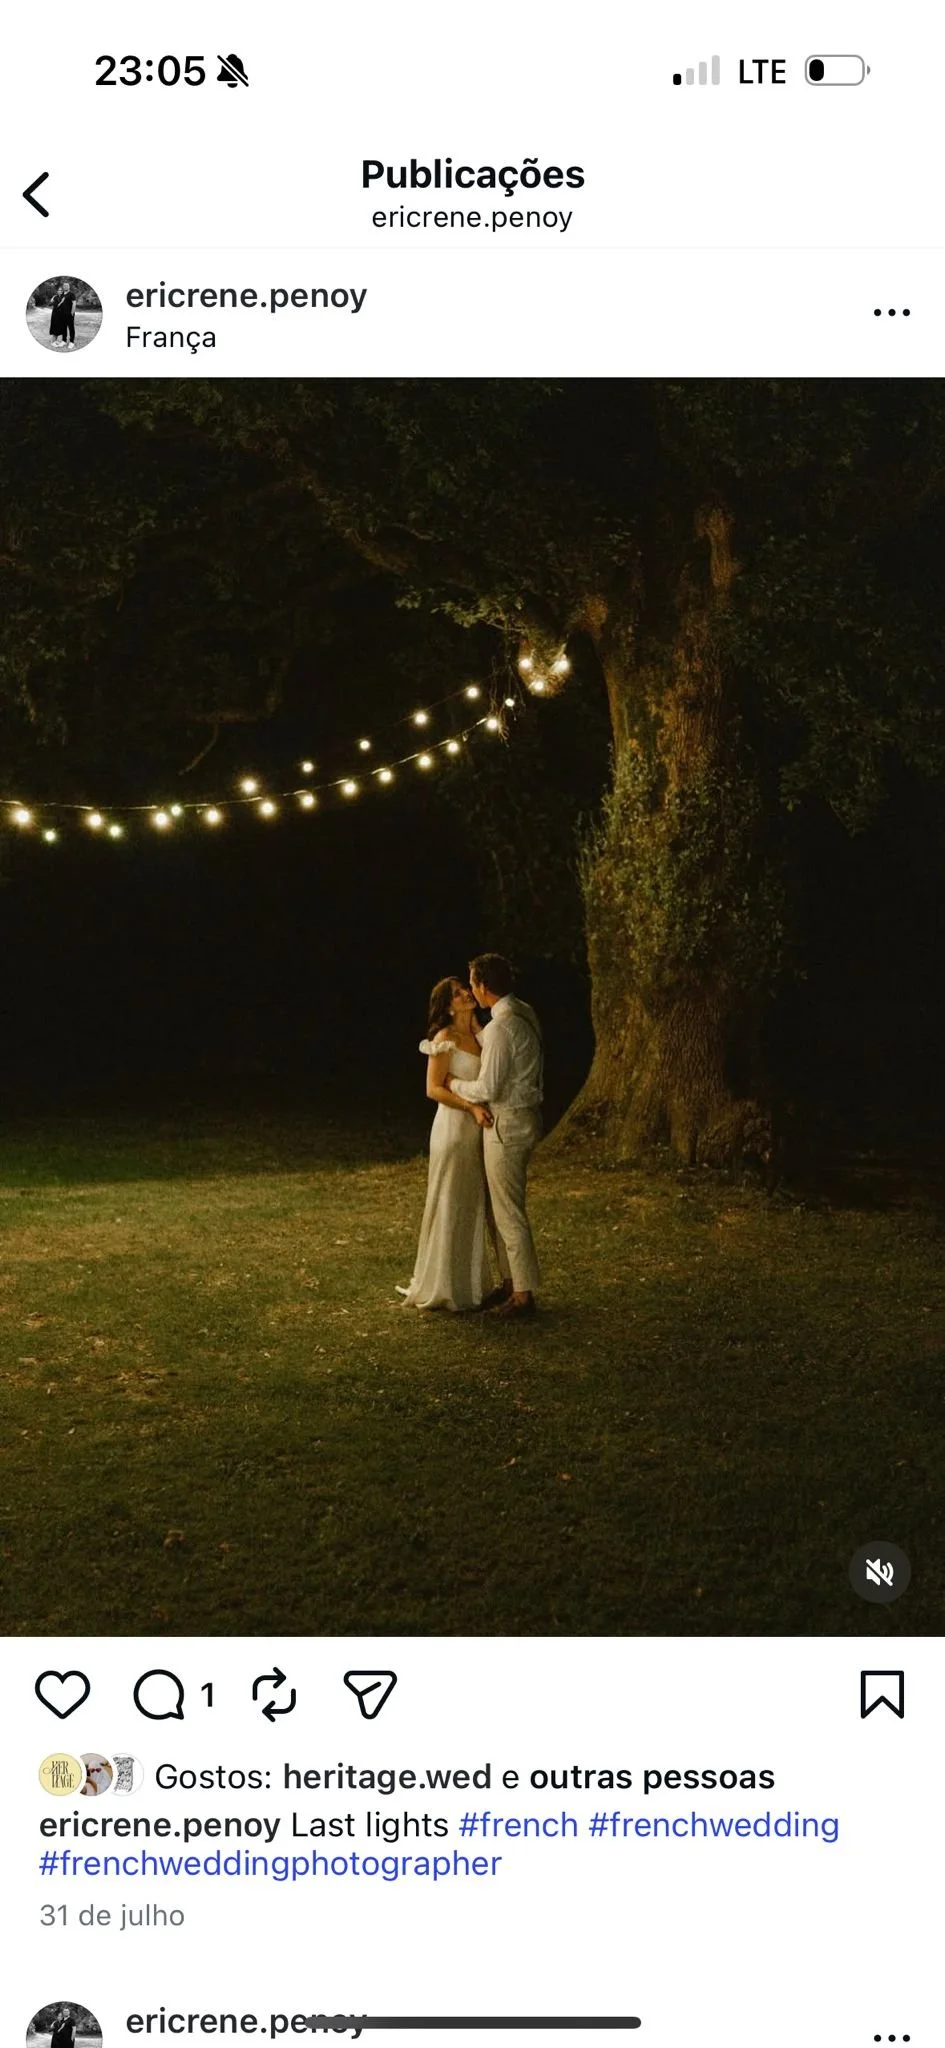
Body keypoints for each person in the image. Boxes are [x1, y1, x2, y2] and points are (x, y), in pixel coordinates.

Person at [448, 952, 543, 1319]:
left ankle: (521, 1295)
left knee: (508, 1211)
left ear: (484, 986)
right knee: (502, 1207)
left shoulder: (502, 1027)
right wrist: (476, 1029)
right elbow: (499, 1049)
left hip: (507, 1124)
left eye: (473, 983)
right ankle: (512, 1282)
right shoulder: (522, 1012)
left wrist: (453, 1084)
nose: (471, 990)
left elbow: (489, 1086)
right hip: (524, 1117)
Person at [399, 976, 495, 1311]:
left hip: (478, 1129)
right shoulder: (445, 1038)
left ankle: (470, 1283)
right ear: (448, 1006)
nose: (466, 994)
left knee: (471, 1200)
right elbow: (433, 1088)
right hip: (454, 1126)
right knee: (451, 1198)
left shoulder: (481, 1036)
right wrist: (470, 1107)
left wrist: (477, 1028)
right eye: (456, 994)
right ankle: (443, 1283)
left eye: (464, 989)